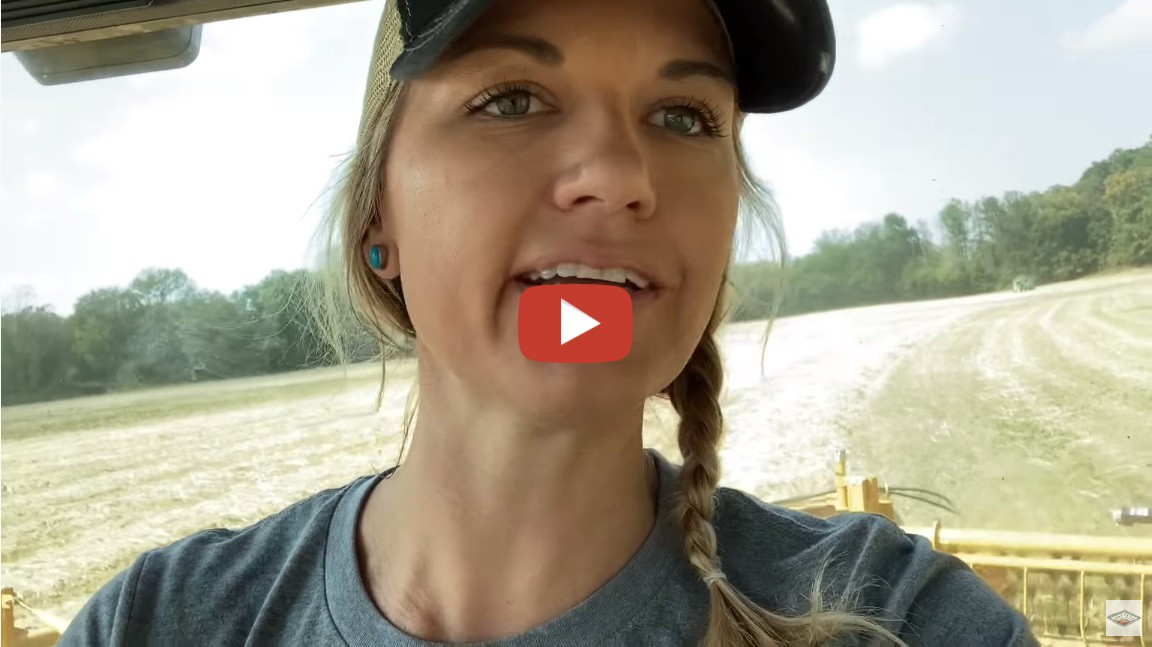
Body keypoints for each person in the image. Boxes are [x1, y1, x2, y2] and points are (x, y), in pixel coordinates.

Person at [59, 0, 1041, 644]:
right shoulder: (161, 622)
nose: (620, 177)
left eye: (685, 116)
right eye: (513, 98)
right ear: (378, 222)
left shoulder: (899, 619)